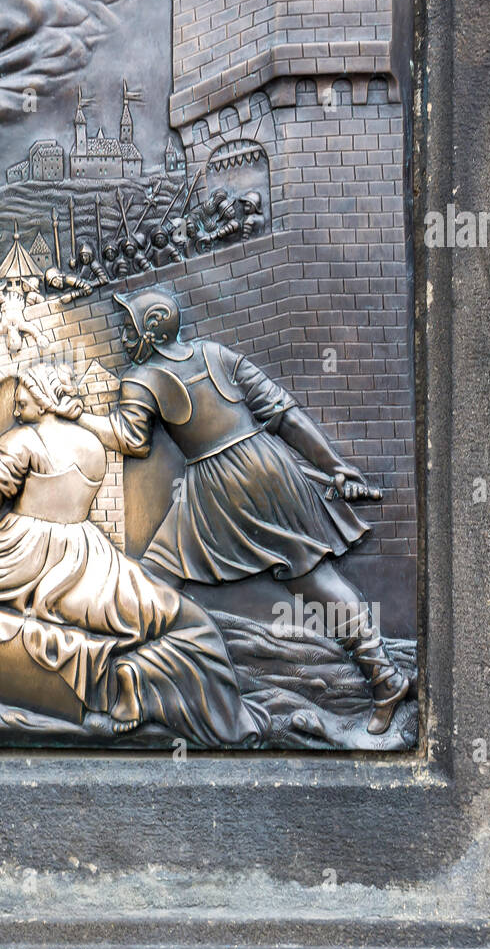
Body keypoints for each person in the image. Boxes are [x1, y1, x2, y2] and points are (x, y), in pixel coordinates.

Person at [0, 364, 269, 747]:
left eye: (24, 390)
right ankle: (142, 674)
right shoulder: (92, 443)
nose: (16, 399)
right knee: (181, 618)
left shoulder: (22, 439)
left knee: (112, 613)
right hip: (89, 557)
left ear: (43, 396)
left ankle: (125, 674)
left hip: (22, 563)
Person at [76, 288, 408, 734]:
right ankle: (384, 678)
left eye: (129, 325)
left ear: (151, 330)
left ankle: (126, 685)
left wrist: (78, 416)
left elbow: (132, 439)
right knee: (312, 577)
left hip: (218, 486)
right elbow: (282, 414)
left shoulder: (142, 378)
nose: (122, 335)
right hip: (270, 466)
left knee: (153, 578)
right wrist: (334, 466)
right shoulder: (217, 354)